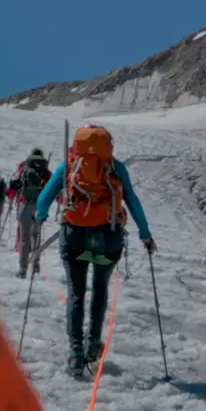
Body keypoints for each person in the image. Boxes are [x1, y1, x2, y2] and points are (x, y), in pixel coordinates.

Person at [33, 127, 154, 378]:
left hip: (74, 238)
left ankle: (75, 353)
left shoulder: (68, 166)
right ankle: (93, 345)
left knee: (76, 292)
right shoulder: (116, 168)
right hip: (107, 241)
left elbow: (43, 200)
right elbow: (132, 201)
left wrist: (41, 217)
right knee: (99, 289)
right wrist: (145, 235)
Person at [13, 148, 54, 278]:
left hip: (25, 205)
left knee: (24, 239)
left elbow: (14, 183)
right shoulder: (46, 171)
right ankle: (36, 264)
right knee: (35, 236)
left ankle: (22, 269)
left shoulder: (24, 166)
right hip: (39, 207)